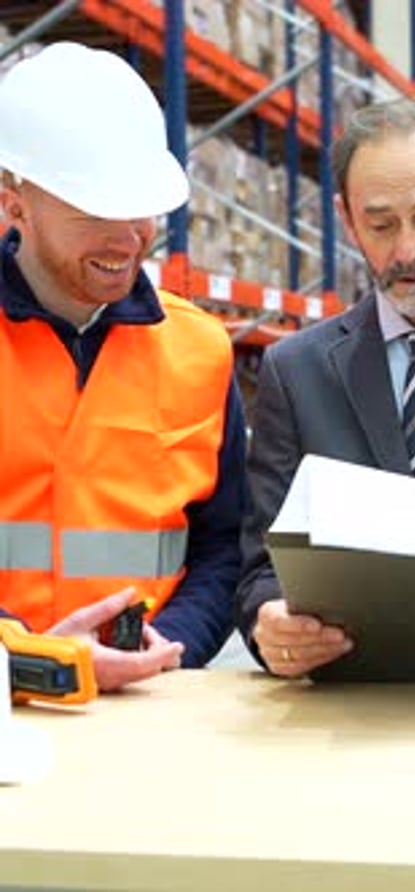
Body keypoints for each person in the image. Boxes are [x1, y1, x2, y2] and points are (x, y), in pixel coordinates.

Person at [0, 42, 247, 691]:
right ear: (12, 201)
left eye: (140, 209)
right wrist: (30, 658)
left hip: (150, 707)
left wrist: (172, 648)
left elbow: (223, 546)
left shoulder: (200, 349)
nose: (128, 237)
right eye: (93, 213)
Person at [236, 97, 415, 678]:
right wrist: (270, 624)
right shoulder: (296, 372)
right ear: (347, 220)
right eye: (380, 225)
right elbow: (259, 571)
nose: (407, 251)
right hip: (343, 710)